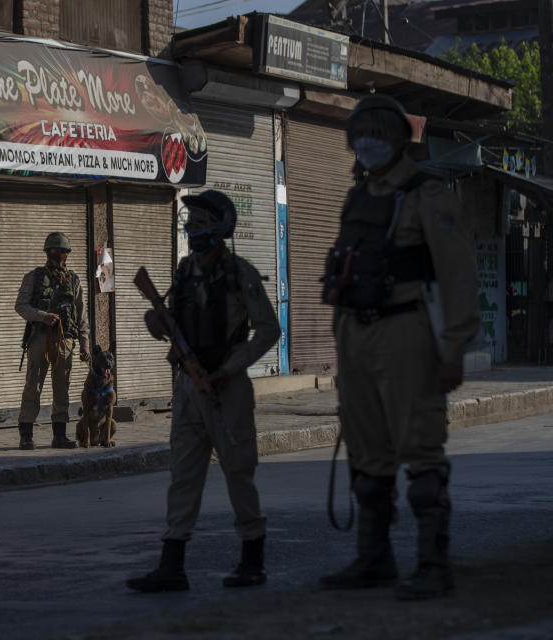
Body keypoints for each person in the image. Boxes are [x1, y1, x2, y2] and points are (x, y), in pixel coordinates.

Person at [319, 94, 479, 600]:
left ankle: (433, 565)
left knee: (421, 449)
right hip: (356, 337)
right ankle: (374, 559)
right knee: (366, 453)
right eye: (358, 133)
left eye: (376, 133)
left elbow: (457, 275)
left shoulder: (427, 194)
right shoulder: (357, 195)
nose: (366, 141)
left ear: (397, 138)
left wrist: (453, 349)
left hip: (406, 333)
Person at [126, 190, 280, 592]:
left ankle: (253, 560)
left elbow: (269, 330)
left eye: (198, 223)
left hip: (225, 389)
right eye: (189, 223)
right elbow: (171, 320)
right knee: (183, 475)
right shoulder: (185, 271)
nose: (191, 230)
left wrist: (230, 368)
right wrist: (154, 319)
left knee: (238, 473)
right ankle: (172, 565)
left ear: (220, 227)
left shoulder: (239, 273)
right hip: (188, 388)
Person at [14, 232, 90, 450]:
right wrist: (42, 316)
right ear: (48, 252)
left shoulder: (73, 280)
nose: (60, 255)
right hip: (39, 337)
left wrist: (85, 344)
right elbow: (21, 306)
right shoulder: (34, 277)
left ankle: (59, 436)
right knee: (33, 386)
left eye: (64, 251)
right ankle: (26, 435)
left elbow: (81, 315)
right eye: (56, 251)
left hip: (65, 340)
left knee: (62, 388)